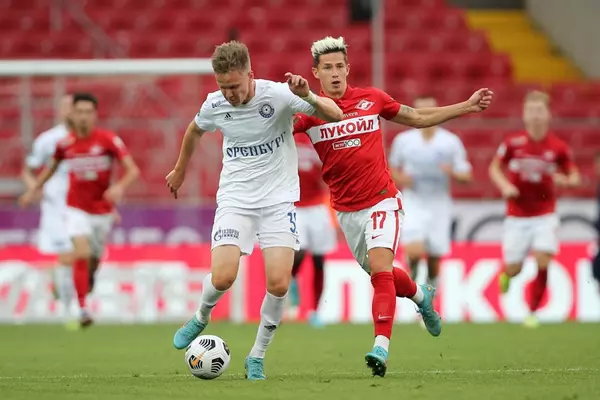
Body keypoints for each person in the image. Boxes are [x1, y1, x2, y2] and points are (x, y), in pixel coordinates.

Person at [293, 36, 493, 377]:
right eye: (328, 68)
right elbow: (273, 130)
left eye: (340, 66)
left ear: (348, 69)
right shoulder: (309, 113)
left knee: (381, 270)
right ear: (316, 73)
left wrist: (466, 106)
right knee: (381, 273)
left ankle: (380, 348)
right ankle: (420, 297)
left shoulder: (371, 98)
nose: (335, 73)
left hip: (382, 200)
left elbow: (416, 117)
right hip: (346, 211)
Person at [166, 41, 343, 380]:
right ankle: (201, 316)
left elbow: (335, 114)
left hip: (278, 202)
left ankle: (257, 356)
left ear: (251, 74)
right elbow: (194, 130)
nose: (229, 93)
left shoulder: (278, 95)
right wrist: (180, 170)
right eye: (223, 86)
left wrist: (307, 95)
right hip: (236, 200)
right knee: (223, 277)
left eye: (234, 85)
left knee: (279, 284)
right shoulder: (215, 104)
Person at [19, 92, 140, 328]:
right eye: (80, 112)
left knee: (93, 260)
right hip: (74, 209)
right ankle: (82, 308)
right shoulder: (64, 144)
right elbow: (50, 169)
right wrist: (33, 190)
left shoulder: (108, 140)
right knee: (79, 253)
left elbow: (133, 170)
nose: (84, 116)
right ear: (73, 114)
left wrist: (119, 187)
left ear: (95, 114)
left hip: (102, 211)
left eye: (88, 112)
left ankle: (86, 281)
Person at [489, 90, 580, 328]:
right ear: (524, 114)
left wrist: (565, 180)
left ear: (548, 114)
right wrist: (505, 186)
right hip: (517, 215)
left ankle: (532, 311)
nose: (535, 115)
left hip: (545, 213)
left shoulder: (558, 147)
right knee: (514, 268)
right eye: (531, 110)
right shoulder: (512, 143)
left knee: (543, 259)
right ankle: (506, 274)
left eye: (539, 110)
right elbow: (494, 168)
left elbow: (575, 176)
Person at [389, 95, 472, 288]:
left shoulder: (450, 142)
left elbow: (467, 175)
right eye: (421, 111)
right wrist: (401, 178)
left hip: (439, 205)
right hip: (413, 202)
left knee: (434, 260)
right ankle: (413, 279)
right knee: (414, 252)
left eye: (430, 111)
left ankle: (430, 288)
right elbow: (391, 168)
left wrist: (452, 172)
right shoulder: (404, 141)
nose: (425, 115)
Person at [21, 94, 77, 327]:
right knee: (66, 254)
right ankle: (68, 310)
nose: (71, 111)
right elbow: (27, 170)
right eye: (67, 107)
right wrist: (33, 189)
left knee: (85, 256)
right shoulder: (48, 140)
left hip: (83, 206)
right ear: (61, 111)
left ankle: (63, 288)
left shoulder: (92, 139)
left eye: (75, 107)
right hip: (56, 206)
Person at [287, 132, 338, 326]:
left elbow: (329, 172)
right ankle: (292, 279)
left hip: (317, 207)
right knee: (299, 250)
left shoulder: (319, 138)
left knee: (319, 260)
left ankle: (316, 311)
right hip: (295, 205)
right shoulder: (285, 135)